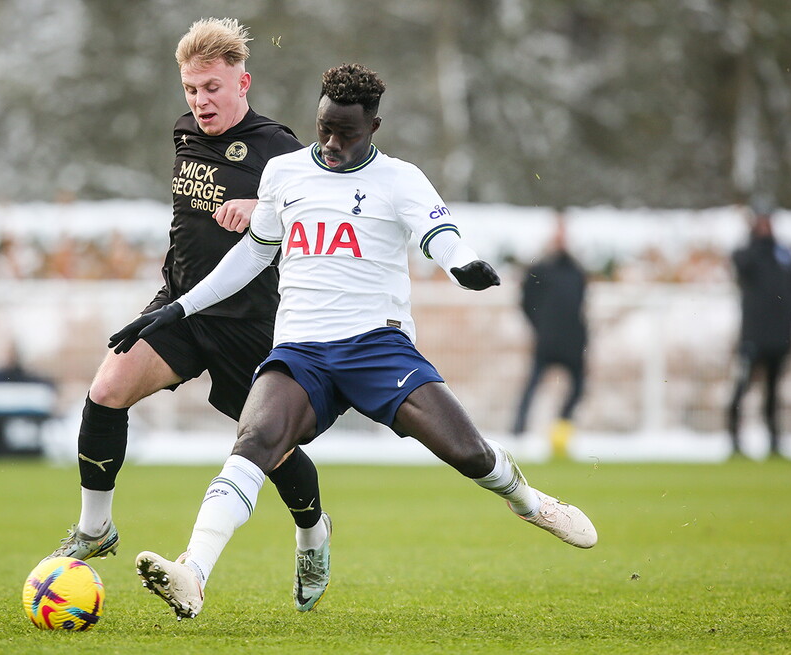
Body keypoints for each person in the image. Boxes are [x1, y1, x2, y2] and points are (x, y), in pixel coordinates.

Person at [108, 63, 598, 620]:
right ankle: (192, 573)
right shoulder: (285, 173)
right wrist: (178, 307)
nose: (333, 144)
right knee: (255, 442)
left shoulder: (400, 179)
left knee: (469, 454)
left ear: (374, 126)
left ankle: (532, 504)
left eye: (347, 134)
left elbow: (439, 233)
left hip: (377, 349)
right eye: (324, 130)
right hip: (300, 351)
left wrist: (461, 263)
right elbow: (252, 253)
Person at [45, 18, 331, 613]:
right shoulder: (183, 133)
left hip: (250, 322)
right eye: (191, 89)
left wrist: (258, 207)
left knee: (266, 445)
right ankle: (95, 528)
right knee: (106, 389)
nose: (200, 101)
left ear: (242, 82)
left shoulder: (278, 145)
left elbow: (319, 213)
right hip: (179, 306)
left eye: (212, 88)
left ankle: (313, 533)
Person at [727, 203, 791, 457]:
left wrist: (790, 320)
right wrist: (752, 237)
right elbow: (740, 266)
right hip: (753, 336)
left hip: (780, 336)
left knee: (773, 391)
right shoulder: (747, 252)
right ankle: (734, 440)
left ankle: (774, 442)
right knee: (743, 387)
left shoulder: (785, 254)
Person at [511, 213, 588, 457]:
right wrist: (540, 327)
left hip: (574, 342)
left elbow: (581, 303)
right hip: (547, 341)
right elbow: (524, 302)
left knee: (578, 388)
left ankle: (560, 433)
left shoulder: (576, 271)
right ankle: (517, 434)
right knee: (532, 387)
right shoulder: (539, 270)